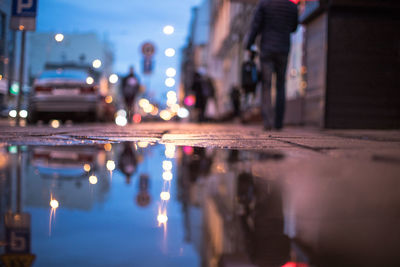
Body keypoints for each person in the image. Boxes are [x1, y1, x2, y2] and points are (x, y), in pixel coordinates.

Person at [246, 0, 298, 130]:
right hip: (283, 49)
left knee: (266, 85)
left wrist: (249, 44)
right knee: (281, 84)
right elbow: (294, 27)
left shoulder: (264, 4)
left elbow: (256, 26)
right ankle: (279, 123)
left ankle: (268, 121)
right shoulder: (291, 6)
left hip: (267, 50)